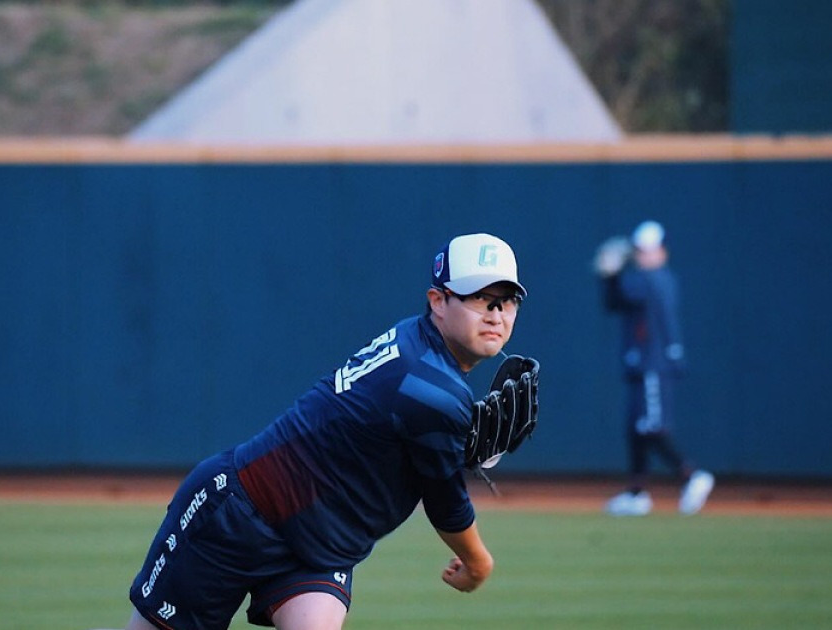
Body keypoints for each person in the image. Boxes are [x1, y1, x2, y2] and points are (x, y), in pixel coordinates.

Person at [121, 233, 529, 630]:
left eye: (507, 300)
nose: (496, 313)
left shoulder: (416, 342)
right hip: (240, 515)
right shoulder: (430, 386)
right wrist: (478, 563)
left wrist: (449, 445)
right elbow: (446, 505)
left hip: (318, 547)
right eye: (480, 298)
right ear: (437, 301)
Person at [594, 220, 713, 516]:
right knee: (636, 428)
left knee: (650, 426)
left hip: (653, 365)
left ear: (662, 251)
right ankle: (637, 494)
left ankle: (692, 475)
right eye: (640, 251)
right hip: (643, 365)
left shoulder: (653, 280)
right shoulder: (649, 279)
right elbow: (615, 302)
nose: (644, 256)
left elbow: (618, 296)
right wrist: (612, 275)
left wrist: (612, 272)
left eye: (649, 250)